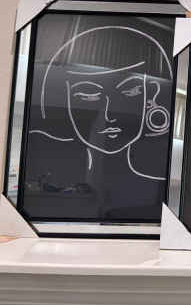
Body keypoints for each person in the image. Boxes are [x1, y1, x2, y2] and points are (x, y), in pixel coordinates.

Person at [24, 21, 173, 220]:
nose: (109, 115)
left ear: (151, 95)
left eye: (131, 91)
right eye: (88, 94)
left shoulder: (154, 168)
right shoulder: (42, 140)